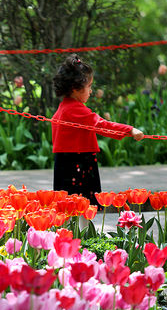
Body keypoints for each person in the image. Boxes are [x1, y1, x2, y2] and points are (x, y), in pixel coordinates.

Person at [51, 54, 144, 207]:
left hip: (66, 165)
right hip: (78, 165)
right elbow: (102, 125)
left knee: (68, 206)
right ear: (75, 89)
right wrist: (130, 130)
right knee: (83, 206)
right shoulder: (76, 110)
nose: (91, 91)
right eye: (89, 86)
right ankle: (82, 232)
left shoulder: (63, 108)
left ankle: (72, 231)